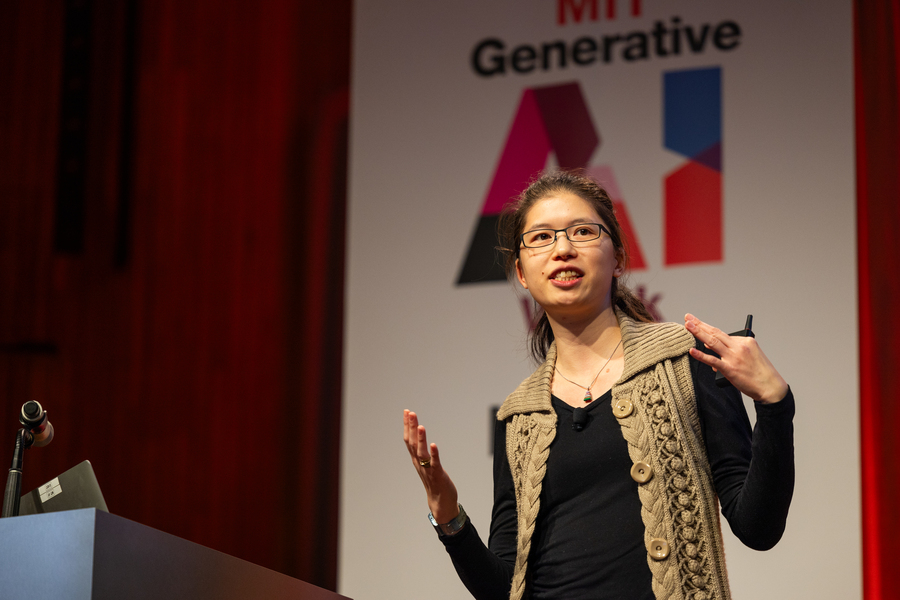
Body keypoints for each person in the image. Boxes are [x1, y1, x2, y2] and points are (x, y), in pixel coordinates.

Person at [403, 170, 794, 600]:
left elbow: (759, 528)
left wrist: (774, 404)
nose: (562, 249)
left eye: (583, 232)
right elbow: (503, 589)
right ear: (521, 272)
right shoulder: (519, 416)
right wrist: (448, 516)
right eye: (541, 238)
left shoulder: (685, 359)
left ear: (619, 258)